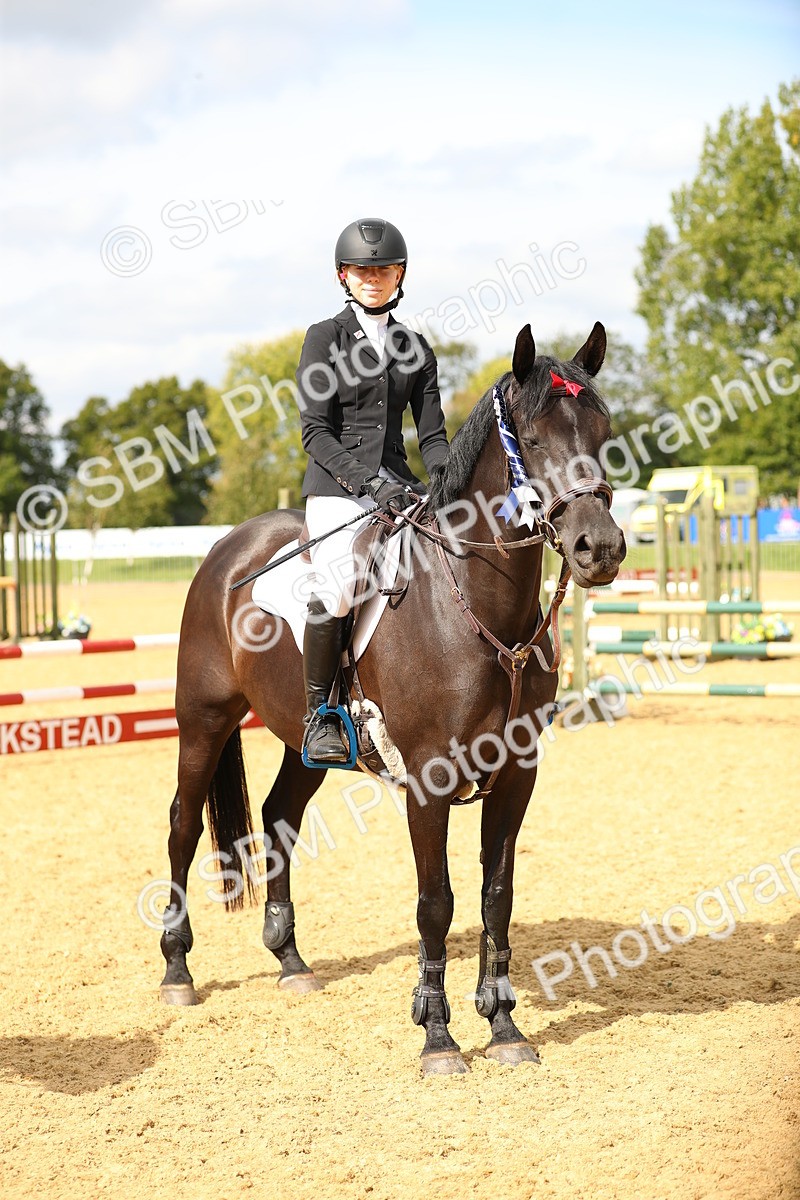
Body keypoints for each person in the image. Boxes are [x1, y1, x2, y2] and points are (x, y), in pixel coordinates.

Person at [295, 217, 449, 764]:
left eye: (383, 269)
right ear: (344, 275)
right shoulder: (325, 337)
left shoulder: (415, 346)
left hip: (399, 490)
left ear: (400, 274)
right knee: (337, 588)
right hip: (338, 491)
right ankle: (321, 715)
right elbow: (315, 431)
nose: (373, 278)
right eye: (362, 269)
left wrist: (447, 483)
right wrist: (368, 483)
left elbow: (432, 438)